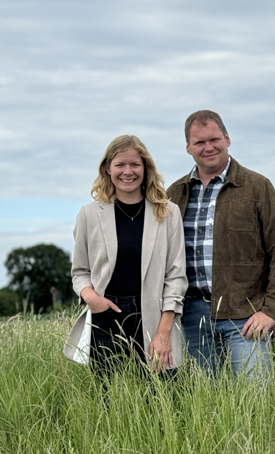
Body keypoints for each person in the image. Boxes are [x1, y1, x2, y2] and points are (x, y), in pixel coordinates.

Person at [166, 110, 275, 377]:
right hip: (193, 315)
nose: (208, 147)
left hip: (246, 315)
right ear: (188, 147)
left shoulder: (257, 187)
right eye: (199, 142)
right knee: (208, 404)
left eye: (214, 139)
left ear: (227, 139)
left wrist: (271, 311)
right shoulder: (175, 193)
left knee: (253, 404)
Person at [63, 135, 187, 377]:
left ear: (145, 168)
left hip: (154, 316)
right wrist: (92, 300)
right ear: (108, 168)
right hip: (106, 316)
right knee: (112, 402)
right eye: (120, 164)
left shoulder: (168, 213)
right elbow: (80, 272)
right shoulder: (89, 214)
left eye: (135, 164)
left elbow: (176, 276)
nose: (127, 172)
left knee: (160, 399)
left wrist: (163, 332)